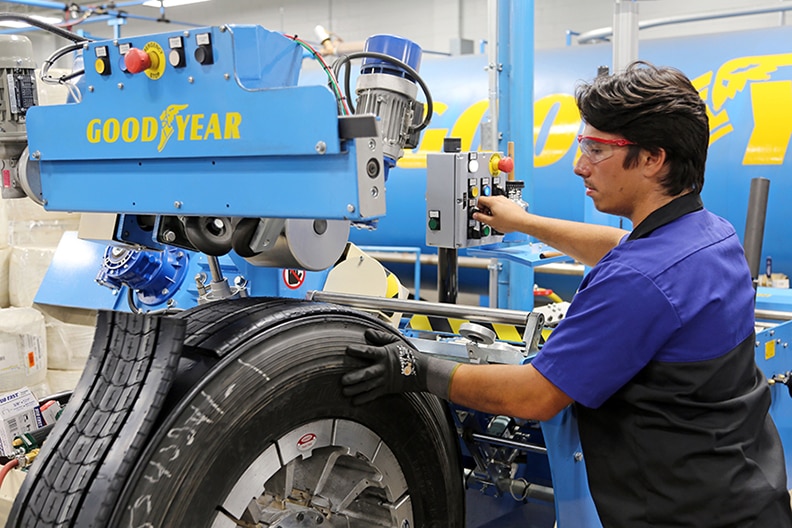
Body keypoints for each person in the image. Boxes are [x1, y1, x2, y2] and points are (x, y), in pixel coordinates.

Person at [341, 61, 792, 527]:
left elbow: (535, 396)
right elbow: (622, 247)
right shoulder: (712, 235)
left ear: (654, 158)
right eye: (582, 144)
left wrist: (418, 368)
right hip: (750, 495)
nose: (580, 165)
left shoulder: (639, 282)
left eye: (597, 149)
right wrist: (522, 222)